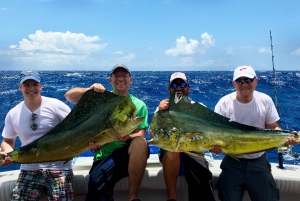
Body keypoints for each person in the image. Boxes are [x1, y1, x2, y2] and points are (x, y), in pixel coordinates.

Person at [212, 65, 299, 201]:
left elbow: (273, 127)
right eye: (240, 81)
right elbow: (214, 134)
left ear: (256, 81)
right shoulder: (223, 103)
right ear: (234, 83)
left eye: (248, 80)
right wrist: (214, 147)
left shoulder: (265, 100)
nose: (244, 84)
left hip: (258, 162)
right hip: (232, 162)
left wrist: (286, 138)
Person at [64, 64, 149, 201]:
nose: (120, 78)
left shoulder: (140, 105)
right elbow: (69, 96)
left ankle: (133, 197)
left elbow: (141, 133)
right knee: (95, 192)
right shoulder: (100, 100)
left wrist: (128, 137)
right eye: (116, 76)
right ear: (110, 80)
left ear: (130, 80)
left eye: (124, 75)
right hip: (104, 155)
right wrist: (89, 90)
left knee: (140, 142)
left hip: (128, 154)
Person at [0, 70, 74, 200]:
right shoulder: (13, 113)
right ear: (20, 87)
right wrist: (8, 152)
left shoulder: (56, 106)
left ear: (40, 86)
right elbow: (7, 141)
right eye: (27, 85)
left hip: (59, 167)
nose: (31, 88)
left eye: (35, 84)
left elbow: (76, 129)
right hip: (29, 168)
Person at [150, 72, 216, 201]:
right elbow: (152, 135)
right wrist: (160, 112)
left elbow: (210, 133)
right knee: (172, 149)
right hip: (171, 157)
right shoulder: (163, 109)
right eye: (174, 84)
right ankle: (172, 197)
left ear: (188, 87)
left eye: (182, 84)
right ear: (169, 89)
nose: (178, 87)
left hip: (195, 157)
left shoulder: (199, 108)